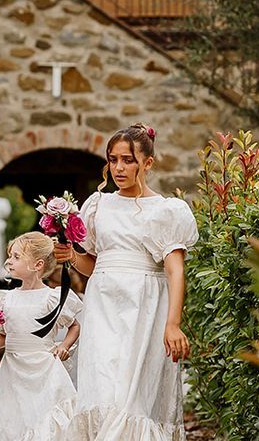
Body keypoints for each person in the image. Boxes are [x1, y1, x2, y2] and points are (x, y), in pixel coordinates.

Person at [53, 123, 198, 441]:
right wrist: (71, 256)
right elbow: (94, 265)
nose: (119, 167)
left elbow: (175, 270)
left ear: (147, 162)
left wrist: (173, 324)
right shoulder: (97, 206)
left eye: (128, 160)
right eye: (113, 159)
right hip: (102, 307)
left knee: (131, 399)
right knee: (103, 393)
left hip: (143, 310)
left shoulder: (164, 211)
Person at [0, 232, 82, 441]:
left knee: (43, 415)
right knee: (15, 417)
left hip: (43, 367)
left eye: (16, 257)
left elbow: (75, 326)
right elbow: (4, 335)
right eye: (10, 256)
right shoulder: (7, 299)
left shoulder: (52, 297)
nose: (9, 262)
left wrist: (64, 346)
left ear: (37, 264)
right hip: (13, 369)